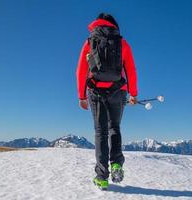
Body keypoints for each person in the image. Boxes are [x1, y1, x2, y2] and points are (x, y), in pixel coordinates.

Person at [76, 13, 138, 190]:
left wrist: (81, 96)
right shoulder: (122, 43)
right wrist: (133, 94)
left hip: (95, 91)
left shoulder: (90, 42)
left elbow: (81, 70)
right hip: (119, 91)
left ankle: (102, 176)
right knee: (114, 128)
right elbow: (131, 70)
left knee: (100, 132)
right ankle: (117, 164)